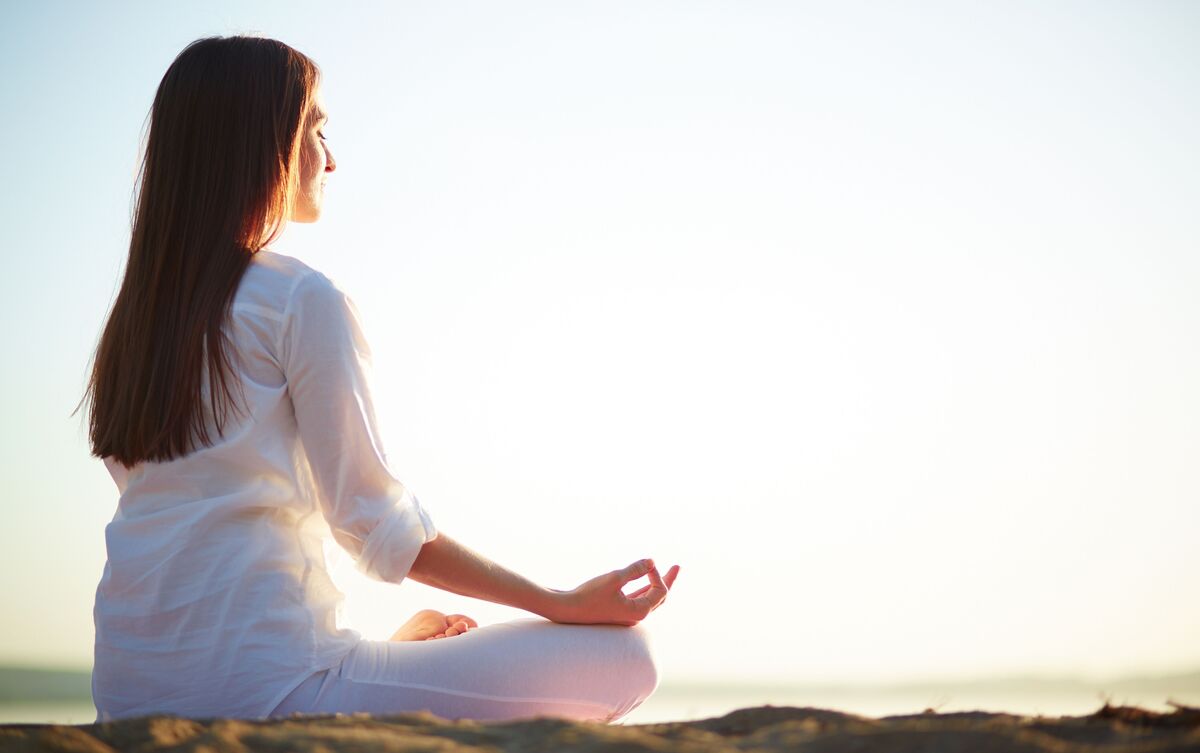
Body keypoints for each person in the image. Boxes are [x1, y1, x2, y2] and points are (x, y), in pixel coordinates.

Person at [82, 36, 679, 724]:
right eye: (316, 128)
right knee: (630, 658)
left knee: (364, 655)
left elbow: (198, 541)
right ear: (258, 141)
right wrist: (561, 601)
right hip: (271, 691)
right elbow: (376, 524)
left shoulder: (131, 329)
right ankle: (354, 682)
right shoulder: (298, 299)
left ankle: (363, 673)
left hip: (125, 697)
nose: (330, 157)